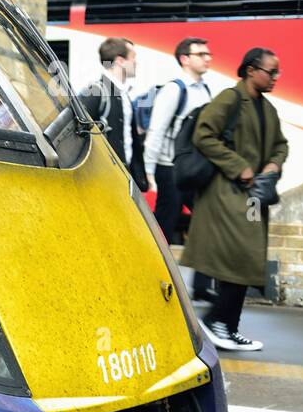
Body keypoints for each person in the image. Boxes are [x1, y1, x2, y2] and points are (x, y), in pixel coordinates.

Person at [181, 48, 289, 352]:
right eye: (272, 71)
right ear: (251, 70)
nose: (276, 78)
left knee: (248, 259)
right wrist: (238, 166)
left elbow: (281, 145)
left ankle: (227, 326)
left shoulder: (266, 108)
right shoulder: (230, 99)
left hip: (253, 196)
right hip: (226, 194)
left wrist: (273, 165)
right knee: (241, 257)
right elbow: (204, 135)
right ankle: (218, 321)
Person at [144, 38, 213, 243]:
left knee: (206, 219)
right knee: (165, 223)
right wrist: (150, 171)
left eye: (208, 54)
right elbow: (156, 130)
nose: (207, 58)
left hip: (194, 169)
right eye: (201, 54)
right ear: (185, 59)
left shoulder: (205, 90)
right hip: (170, 169)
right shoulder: (174, 90)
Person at [78, 37, 143, 181]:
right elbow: (78, 132)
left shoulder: (123, 93)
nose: (136, 63)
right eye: (133, 58)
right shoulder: (96, 91)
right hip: (105, 176)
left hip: (124, 174)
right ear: (120, 61)